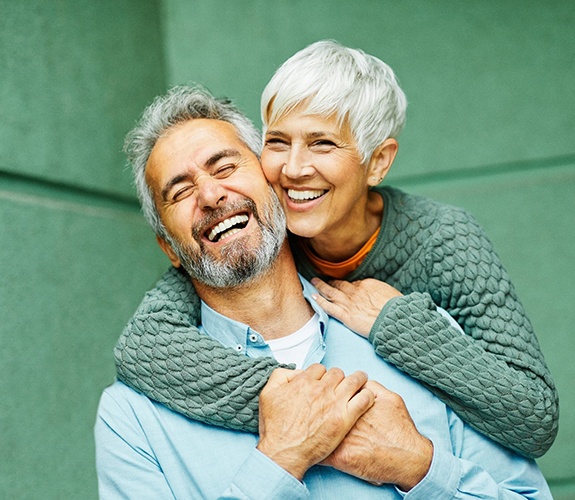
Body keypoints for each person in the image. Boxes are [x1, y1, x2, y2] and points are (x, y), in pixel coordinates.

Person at [95, 85, 552, 498]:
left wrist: (420, 468)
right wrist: (278, 462)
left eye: (226, 166)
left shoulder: (426, 340)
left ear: (276, 187)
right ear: (168, 247)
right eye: (180, 191)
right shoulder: (131, 419)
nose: (212, 195)